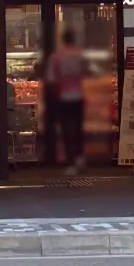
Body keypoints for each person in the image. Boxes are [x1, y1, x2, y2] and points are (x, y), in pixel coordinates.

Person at [46, 28, 87, 175]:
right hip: (79, 96)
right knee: (78, 128)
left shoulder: (56, 57)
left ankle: (71, 162)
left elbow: (51, 80)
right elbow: (88, 72)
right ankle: (80, 156)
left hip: (64, 97)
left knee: (66, 130)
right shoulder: (79, 55)